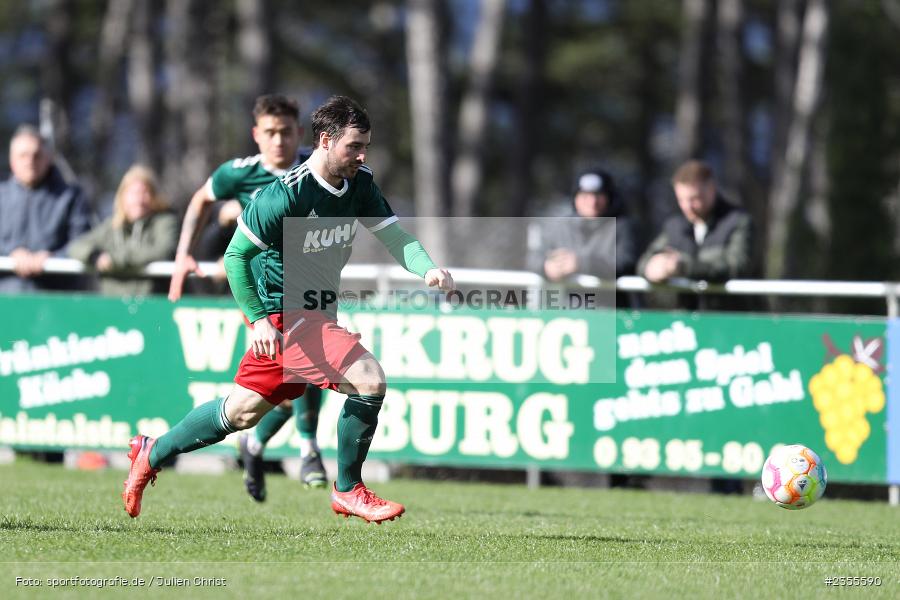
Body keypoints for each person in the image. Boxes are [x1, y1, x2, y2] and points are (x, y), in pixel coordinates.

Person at [122, 95, 455, 523]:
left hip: (313, 313)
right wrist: (259, 320)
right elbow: (234, 257)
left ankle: (153, 450)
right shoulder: (285, 196)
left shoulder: (361, 183)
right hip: (287, 315)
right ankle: (349, 488)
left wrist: (427, 269)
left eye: (366, 146)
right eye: (354, 146)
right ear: (325, 140)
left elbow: (396, 238)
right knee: (369, 380)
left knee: (240, 412)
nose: (361, 155)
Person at [167, 94, 327, 500]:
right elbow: (202, 199)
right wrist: (186, 251)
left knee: (290, 393)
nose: (279, 141)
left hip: (308, 290)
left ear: (298, 133)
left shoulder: (317, 166)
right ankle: (309, 451)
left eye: (286, 132)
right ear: (257, 135)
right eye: (270, 133)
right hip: (263, 299)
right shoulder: (240, 174)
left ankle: (253, 446)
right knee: (300, 372)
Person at [637, 159, 753, 310]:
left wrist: (684, 267)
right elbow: (645, 260)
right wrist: (651, 267)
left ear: (711, 189)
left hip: (728, 320)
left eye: (694, 199)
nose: (688, 207)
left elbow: (737, 266)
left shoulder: (738, 222)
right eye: (681, 200)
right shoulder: (674, 227)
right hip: (684, 323)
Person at [0, 124, 92, 292]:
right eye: (23, 155)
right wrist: (11, 254)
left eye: (37, 155)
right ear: (12, 160)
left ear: (48, 158)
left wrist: (52, 258)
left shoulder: (71, 196)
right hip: (5, 300)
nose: (30, 162)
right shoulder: (2, 196)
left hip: (55, 301)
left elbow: (83, 241)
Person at [528, 167, 638, 306]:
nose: (592, 202)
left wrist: (581, 264)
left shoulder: (623, 226)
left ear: (610, 198)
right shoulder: (560, 227)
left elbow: (626, 263)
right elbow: (534, 258)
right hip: (567, 314)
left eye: (598, 195)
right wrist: (546, 267)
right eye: (585, 195)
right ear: (575, 198)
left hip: (610, 314)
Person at [68, 165, 177, 296]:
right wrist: (95, 256)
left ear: (154, 196)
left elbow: (164, 250)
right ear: (122, 197)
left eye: (145, 192)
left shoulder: (164, 222)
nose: (139, 200)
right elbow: (76, 246)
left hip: (153, 303)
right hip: (114, 306)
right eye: (133, 193)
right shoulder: (113, 226)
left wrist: (115, 260)